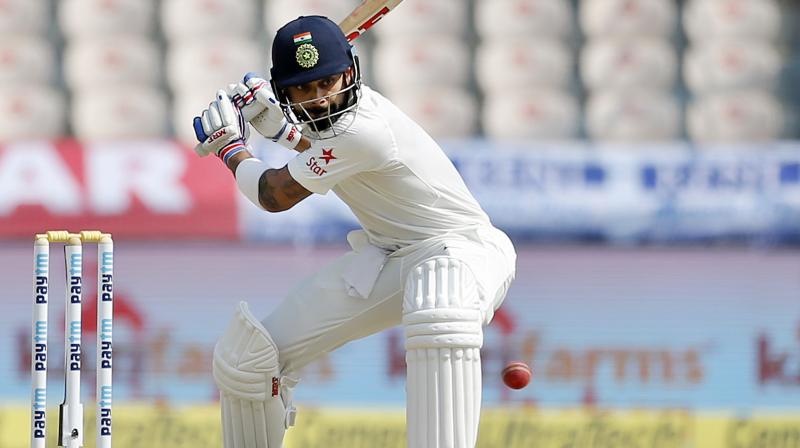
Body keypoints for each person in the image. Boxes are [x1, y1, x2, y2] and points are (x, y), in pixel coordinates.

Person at [192, 15, 516, 448]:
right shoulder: (335, 128)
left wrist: (230, 147)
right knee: (246, 360)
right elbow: (323, 147)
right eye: (304, 89)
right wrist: (277, 128)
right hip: (390, 257)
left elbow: (273, 195)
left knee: (440, 301)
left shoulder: (367, 128)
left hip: (462, 251)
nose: (321, 100)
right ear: (285, 92)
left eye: (327, 83)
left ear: (349, 73)